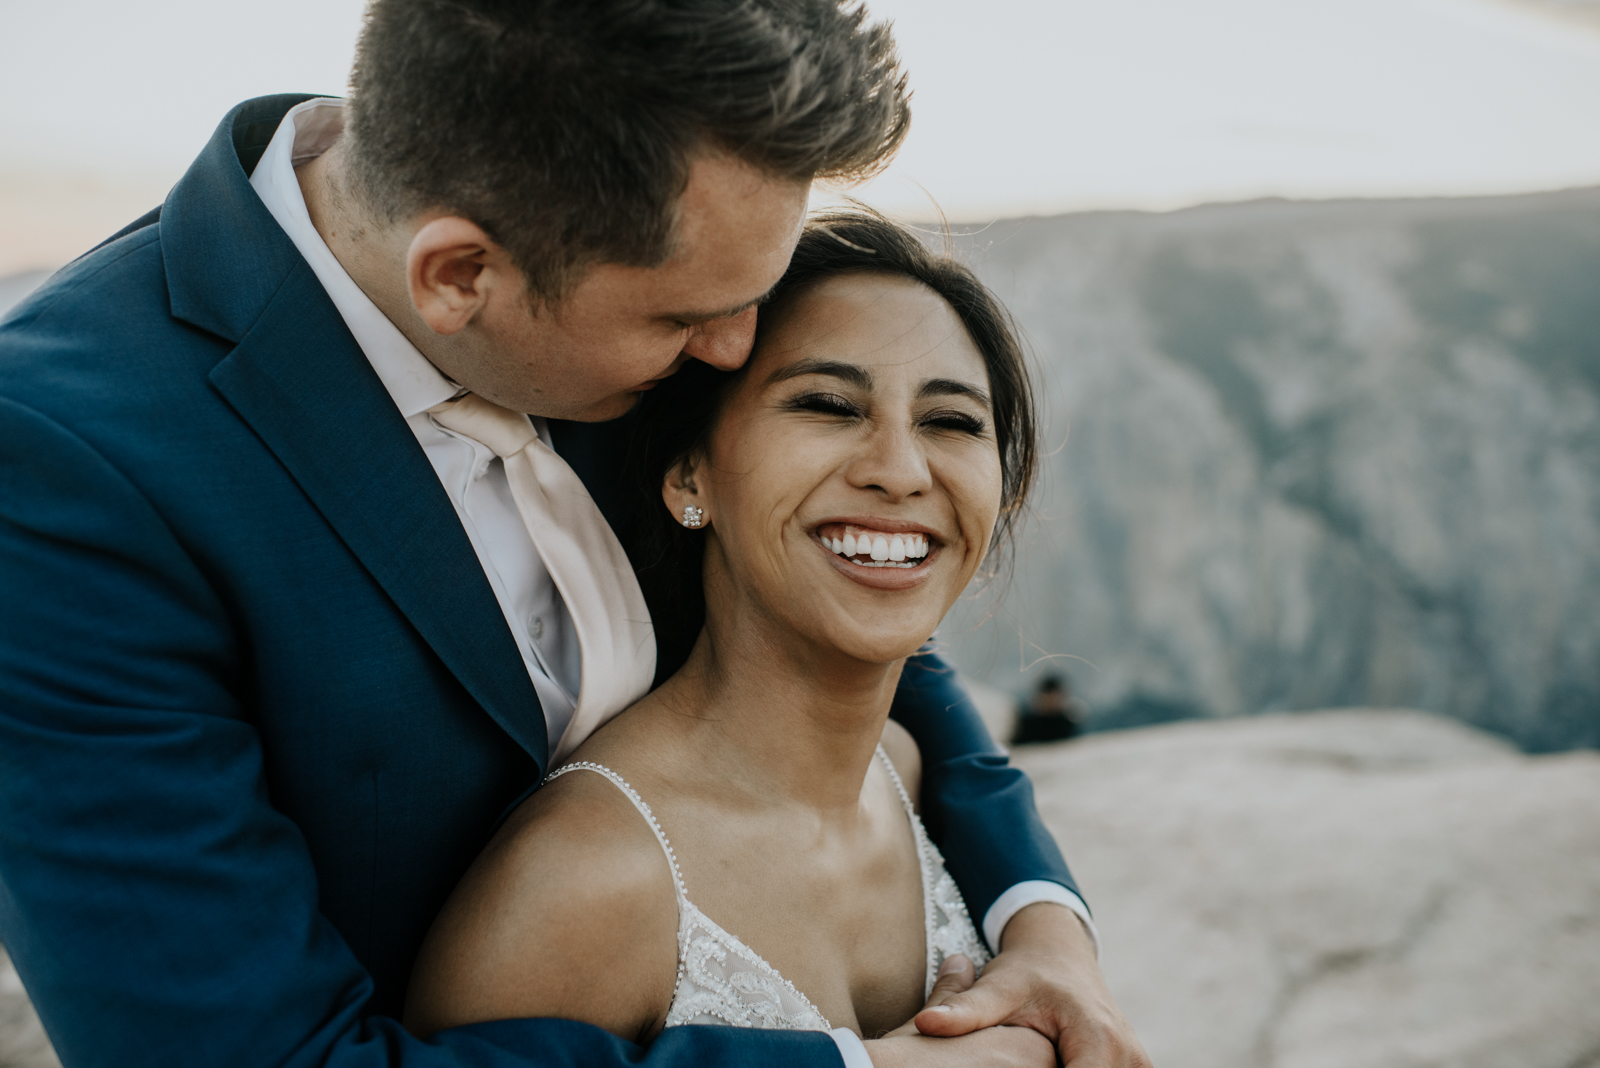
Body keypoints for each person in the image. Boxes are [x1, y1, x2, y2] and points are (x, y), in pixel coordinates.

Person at [0, 3, 1144, 1068]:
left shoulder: (589, 205)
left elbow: (831, 597)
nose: (738, 351)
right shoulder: (66, 470)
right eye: (688, 318)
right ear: (459, 275)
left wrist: (1038, 918)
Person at [403, 211, 1139, 1068]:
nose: (901, 470)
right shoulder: (583, 883)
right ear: (690, 474)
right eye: (828, 405)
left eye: (953, 422)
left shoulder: (906, 774)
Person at [1012, 675, 1087, 746]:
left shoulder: (1067, 724)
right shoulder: (1029, 724)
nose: (1051, 702)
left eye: (1054, 698)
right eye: (1047, 698)